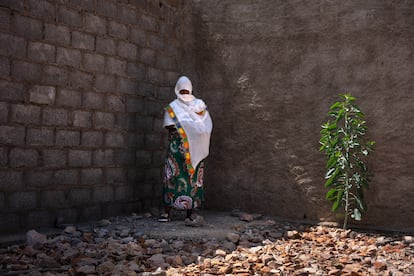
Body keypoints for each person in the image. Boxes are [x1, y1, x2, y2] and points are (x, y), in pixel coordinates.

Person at [158, 76, 213, 224]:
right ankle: (167, 212)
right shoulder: (173, 106)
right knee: (172, 178)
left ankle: (190, 213)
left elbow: (206, 126)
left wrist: (187, 124)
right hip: (176, 150)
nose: (184, 92)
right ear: (177, 90)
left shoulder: (199, 106)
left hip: (195, 149)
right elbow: (168, 125)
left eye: (186, 90)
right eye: (181, 90)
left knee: (192, 181)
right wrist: (188, 125)